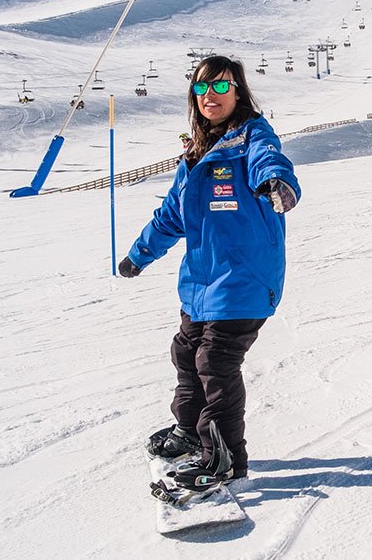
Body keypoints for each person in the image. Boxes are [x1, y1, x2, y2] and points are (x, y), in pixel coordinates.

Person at [119, 55, 301, 489]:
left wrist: (277, 182)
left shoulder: (252, 135)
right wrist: (138, 255)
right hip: (201, 285)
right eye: (202, 88)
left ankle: (225, 458)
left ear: (238, 91)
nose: (210, 96)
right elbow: (170, 216)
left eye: (221, 87)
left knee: (215, 362)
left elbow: (269, 159)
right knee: (187, 353)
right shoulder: (196, 155)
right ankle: (189, 433)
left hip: (244, 280)